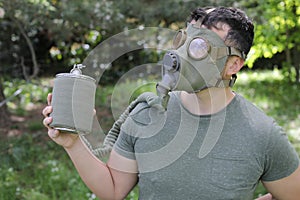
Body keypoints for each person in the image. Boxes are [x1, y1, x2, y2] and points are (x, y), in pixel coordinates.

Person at [42, 6, 300, 200]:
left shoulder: (261, 134)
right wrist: (72, 143)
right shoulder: (146, 112)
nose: (182, 54)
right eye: (183, 40)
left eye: (200, 47)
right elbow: (112, 188)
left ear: (233, 65)